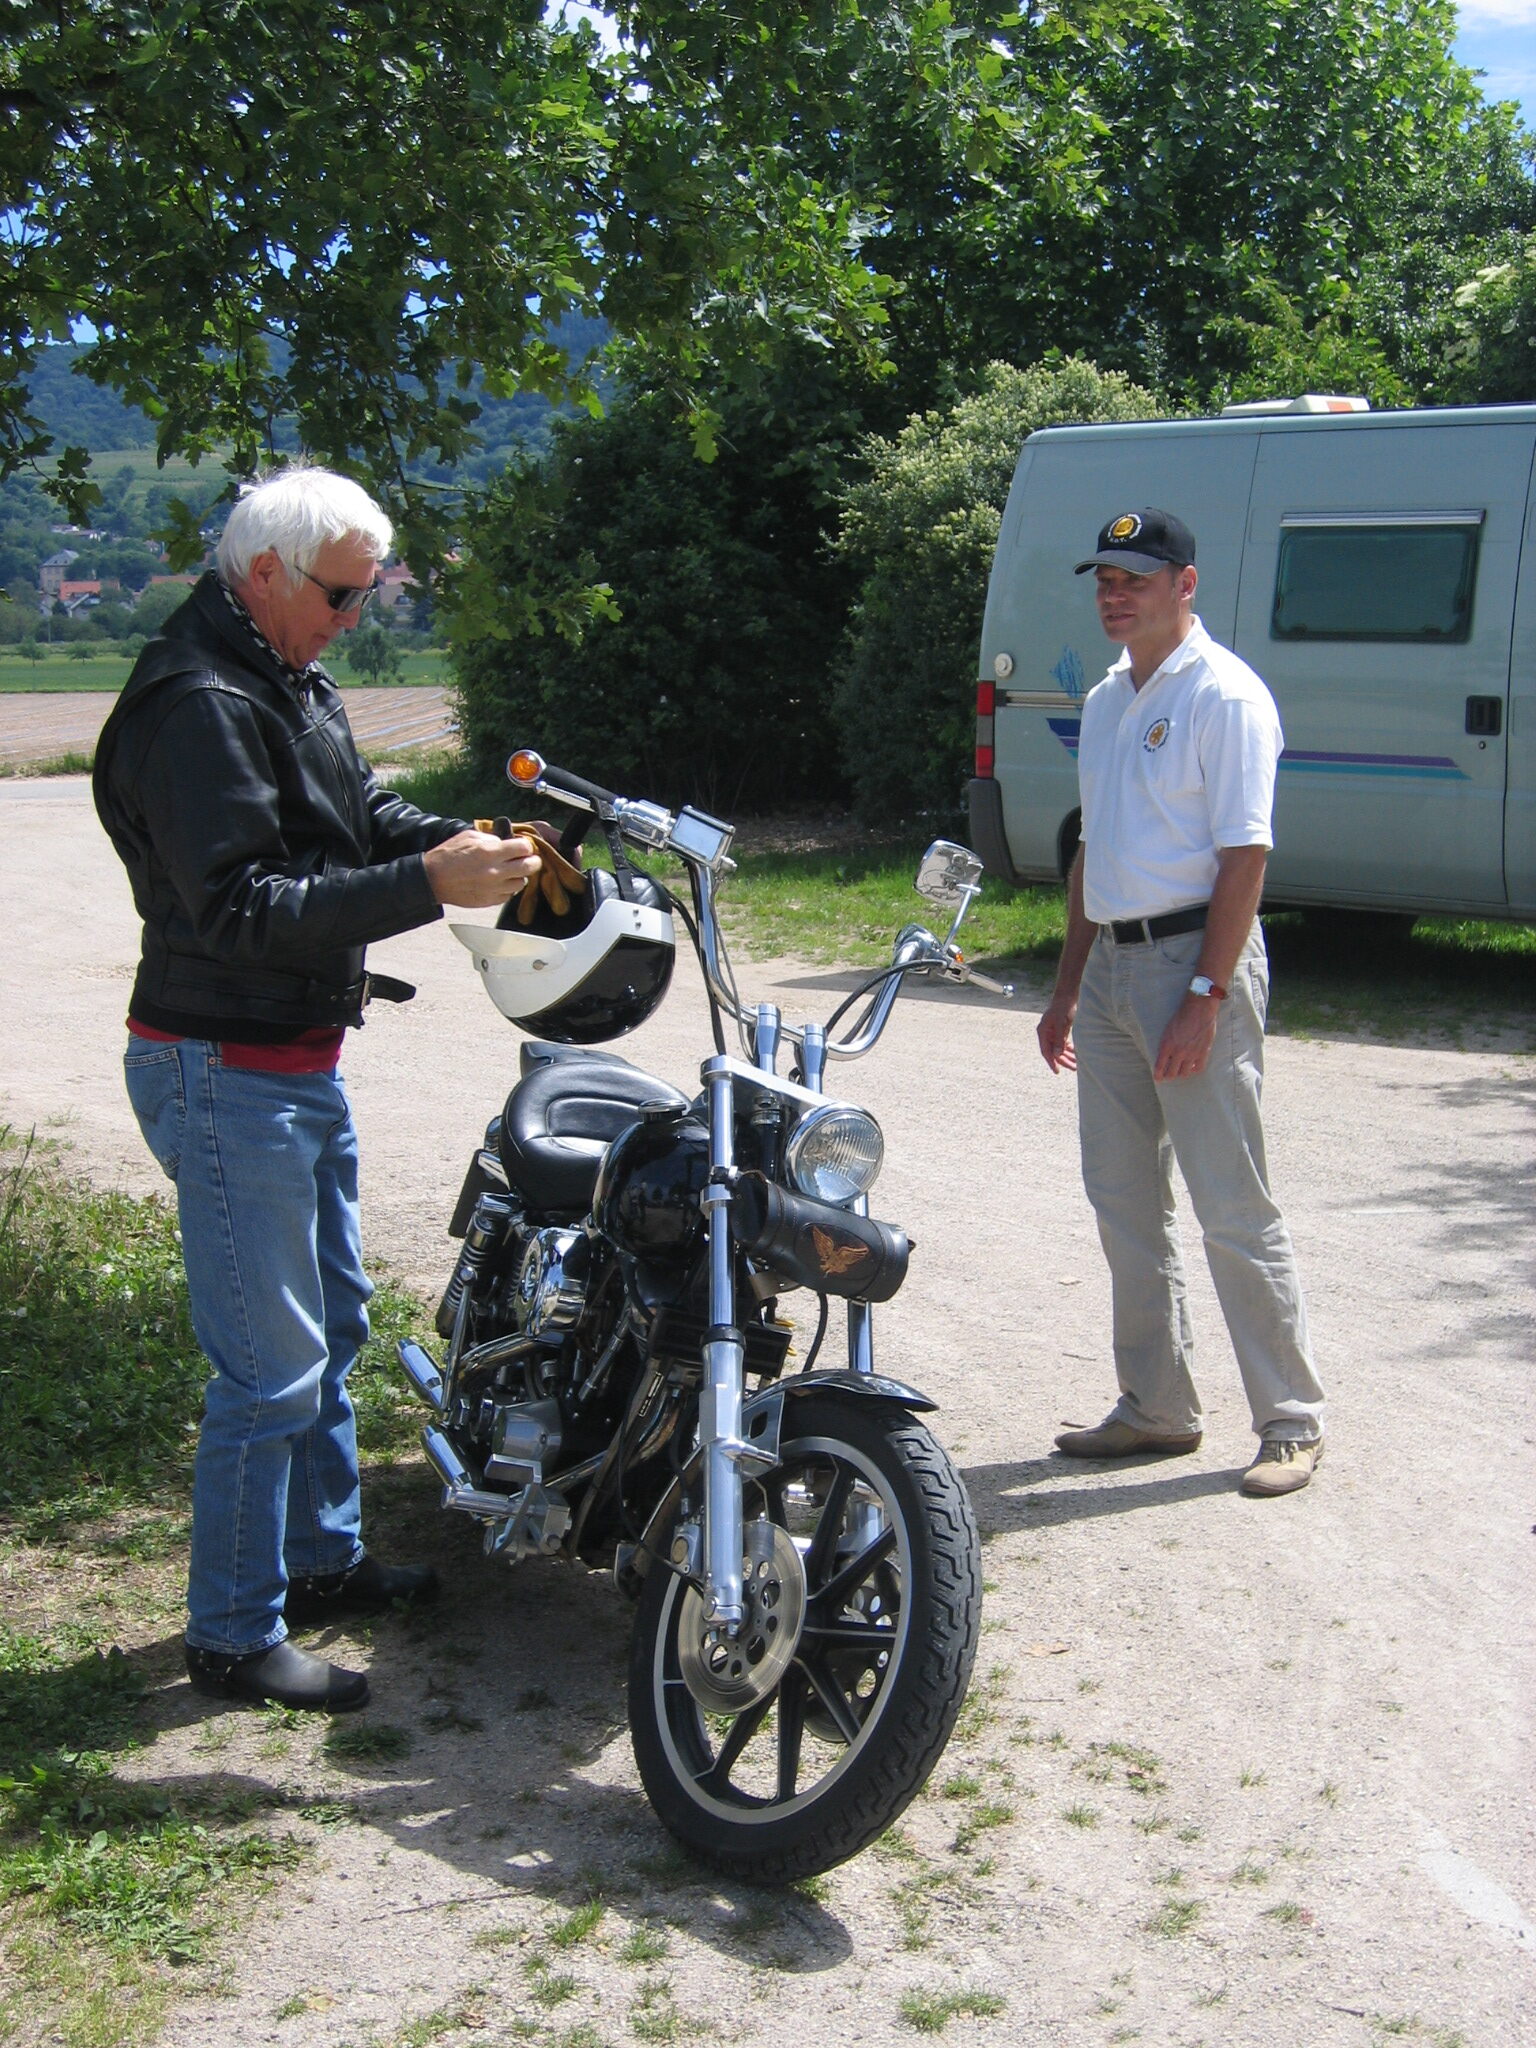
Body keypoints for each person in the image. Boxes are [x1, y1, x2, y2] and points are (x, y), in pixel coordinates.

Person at [94, 466, 542, 1708]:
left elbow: (357, 809)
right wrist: (428, 886)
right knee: (269, 1367)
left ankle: (320, 1560)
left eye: (364, 596)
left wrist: (454, 841)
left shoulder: (281, 672)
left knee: (333, 1325)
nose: (353, 619)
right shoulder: (198, 702)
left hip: (289, 1059)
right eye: (340, 595)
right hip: (222, 1062)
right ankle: (233, 1636)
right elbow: (240, 909)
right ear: (263, 573)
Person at [1035, 508, 1325, 1497]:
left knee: (1231, 1203)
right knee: (1124, 1203)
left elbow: (1247, 855)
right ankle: (1156, 1404)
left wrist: (1205, 994)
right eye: (1106, 580)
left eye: (1137, 579)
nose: (1116, 595)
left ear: (1184, 585)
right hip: (1114, 971)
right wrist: (1067, 986)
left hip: (1193, 964)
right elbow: (1093, 850)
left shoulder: (1225, 694)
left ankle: (1290, 1419)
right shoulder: (1108, 697)